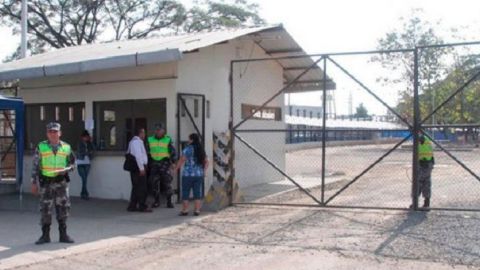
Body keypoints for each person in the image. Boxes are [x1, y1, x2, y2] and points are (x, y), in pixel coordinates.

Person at [31, 122, 76, 245]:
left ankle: (63, 235)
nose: (53, 134)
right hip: (46, 184)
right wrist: (33, 183)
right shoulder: (41, 147)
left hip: (61, 184)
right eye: (50, 132)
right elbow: (35, 166)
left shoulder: (66, 147)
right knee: (45, 209)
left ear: (60, 133)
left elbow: (73, 164)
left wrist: (66, 170)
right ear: (47, 134)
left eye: (55, 132)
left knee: (63, 209)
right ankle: (45, 236)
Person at [174, 133, 210, 216]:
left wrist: (176, 168)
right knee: (197, 192)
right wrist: (204, 171)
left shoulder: (188, 149)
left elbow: (182, 160)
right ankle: (197, 210)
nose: (188, 140)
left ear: (192, 140)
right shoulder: (201, 150)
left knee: (185, 192)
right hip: (198, 174)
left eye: (189, 139)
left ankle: (185, 210)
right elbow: (208, 161)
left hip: (187, 174)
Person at [147, 123, 177, 208]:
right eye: (157, 130)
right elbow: (147, 151)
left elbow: (172, 152)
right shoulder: (150, 139)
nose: (158, 131)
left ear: (163, 130)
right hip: (154, 164)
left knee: (167, 183)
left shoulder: (167, 139)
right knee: (154, 183)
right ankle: (156, 201)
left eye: (160, 130)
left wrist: (174, 162)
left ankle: (169, 201)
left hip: (165, 163)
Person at [127, 128, 152, 213]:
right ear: (140, 133)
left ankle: (132, 205)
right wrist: (142, 168)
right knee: (142, 187)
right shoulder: (136, 142)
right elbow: (138, 156)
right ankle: (142, 205)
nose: (144, 135)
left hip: (137, 167)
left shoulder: (134, 142)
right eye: (143, 133)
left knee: (136, 187)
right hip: (138, 167)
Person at [415, 131, 434, 210]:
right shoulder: (428, 139)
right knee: (426, 182)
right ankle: (426, 203)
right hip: (428, 163)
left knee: (418, 182)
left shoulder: (422, 139)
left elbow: (417, 135)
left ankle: (415, 203)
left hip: (423, 163)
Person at [76, 130, 95, 200]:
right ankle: (85, 193)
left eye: (87, 137)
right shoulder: (79, 143)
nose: (86, 138)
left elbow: (93, 149)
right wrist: (87, 152)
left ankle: (83, 193)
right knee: (84, 178)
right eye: (85, 137)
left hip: (87, 162)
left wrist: (91, 142)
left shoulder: (89, 143)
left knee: (85, 178)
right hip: (80, 161)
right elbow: (79, 152)